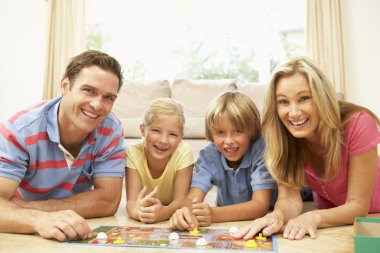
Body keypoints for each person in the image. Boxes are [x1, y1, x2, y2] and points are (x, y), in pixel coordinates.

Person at [234, 56, 380, 240]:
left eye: (303, 98)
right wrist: (276, 215)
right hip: (334, 219)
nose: (293, 113)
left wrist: (312, 216)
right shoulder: (283, 136)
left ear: (321, 97)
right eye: (284, 102)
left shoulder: (358, 124)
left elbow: (358, 206)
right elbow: (289, 199)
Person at [0, 50, 126, 241]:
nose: (97, 105)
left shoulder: (111, 128)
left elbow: (108, 201)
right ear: (65, 86)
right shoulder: (19, 130)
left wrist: (25, 208)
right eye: (89, 90)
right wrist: (38, 220)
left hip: (51, 220)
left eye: (108, 97)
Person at [169, 91, 277, 230]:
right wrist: (185, 211)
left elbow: (260, 205)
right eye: (220, 132)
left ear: (251, 131)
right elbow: (192, 199)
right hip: (226, 214)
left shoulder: (262, 151)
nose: (229, 141)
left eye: (238, 131)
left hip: (265, 214)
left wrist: (213, 214)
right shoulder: (208, 156)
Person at [126, 98, 195, 223]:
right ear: (142, 130)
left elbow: (180, 200)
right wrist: (136, 212)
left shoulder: (184, 152)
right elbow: (132, 201)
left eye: (173, 134)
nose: (163, 140)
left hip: (169, 209)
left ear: (181, 137)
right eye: (156, 131)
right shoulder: (133, 152)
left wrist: (164, 213)